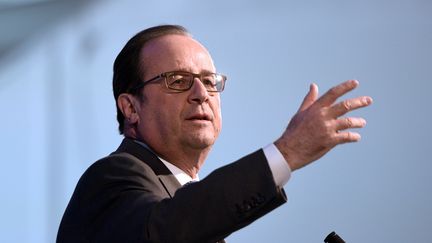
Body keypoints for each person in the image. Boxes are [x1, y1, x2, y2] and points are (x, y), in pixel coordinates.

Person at [57, 25, 372, 243]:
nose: (200, 93)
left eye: (210, 82)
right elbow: (167, 231)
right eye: (178, 80)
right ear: (131, 108)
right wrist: (285, 153)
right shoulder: (111, 179)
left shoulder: (194, 210)